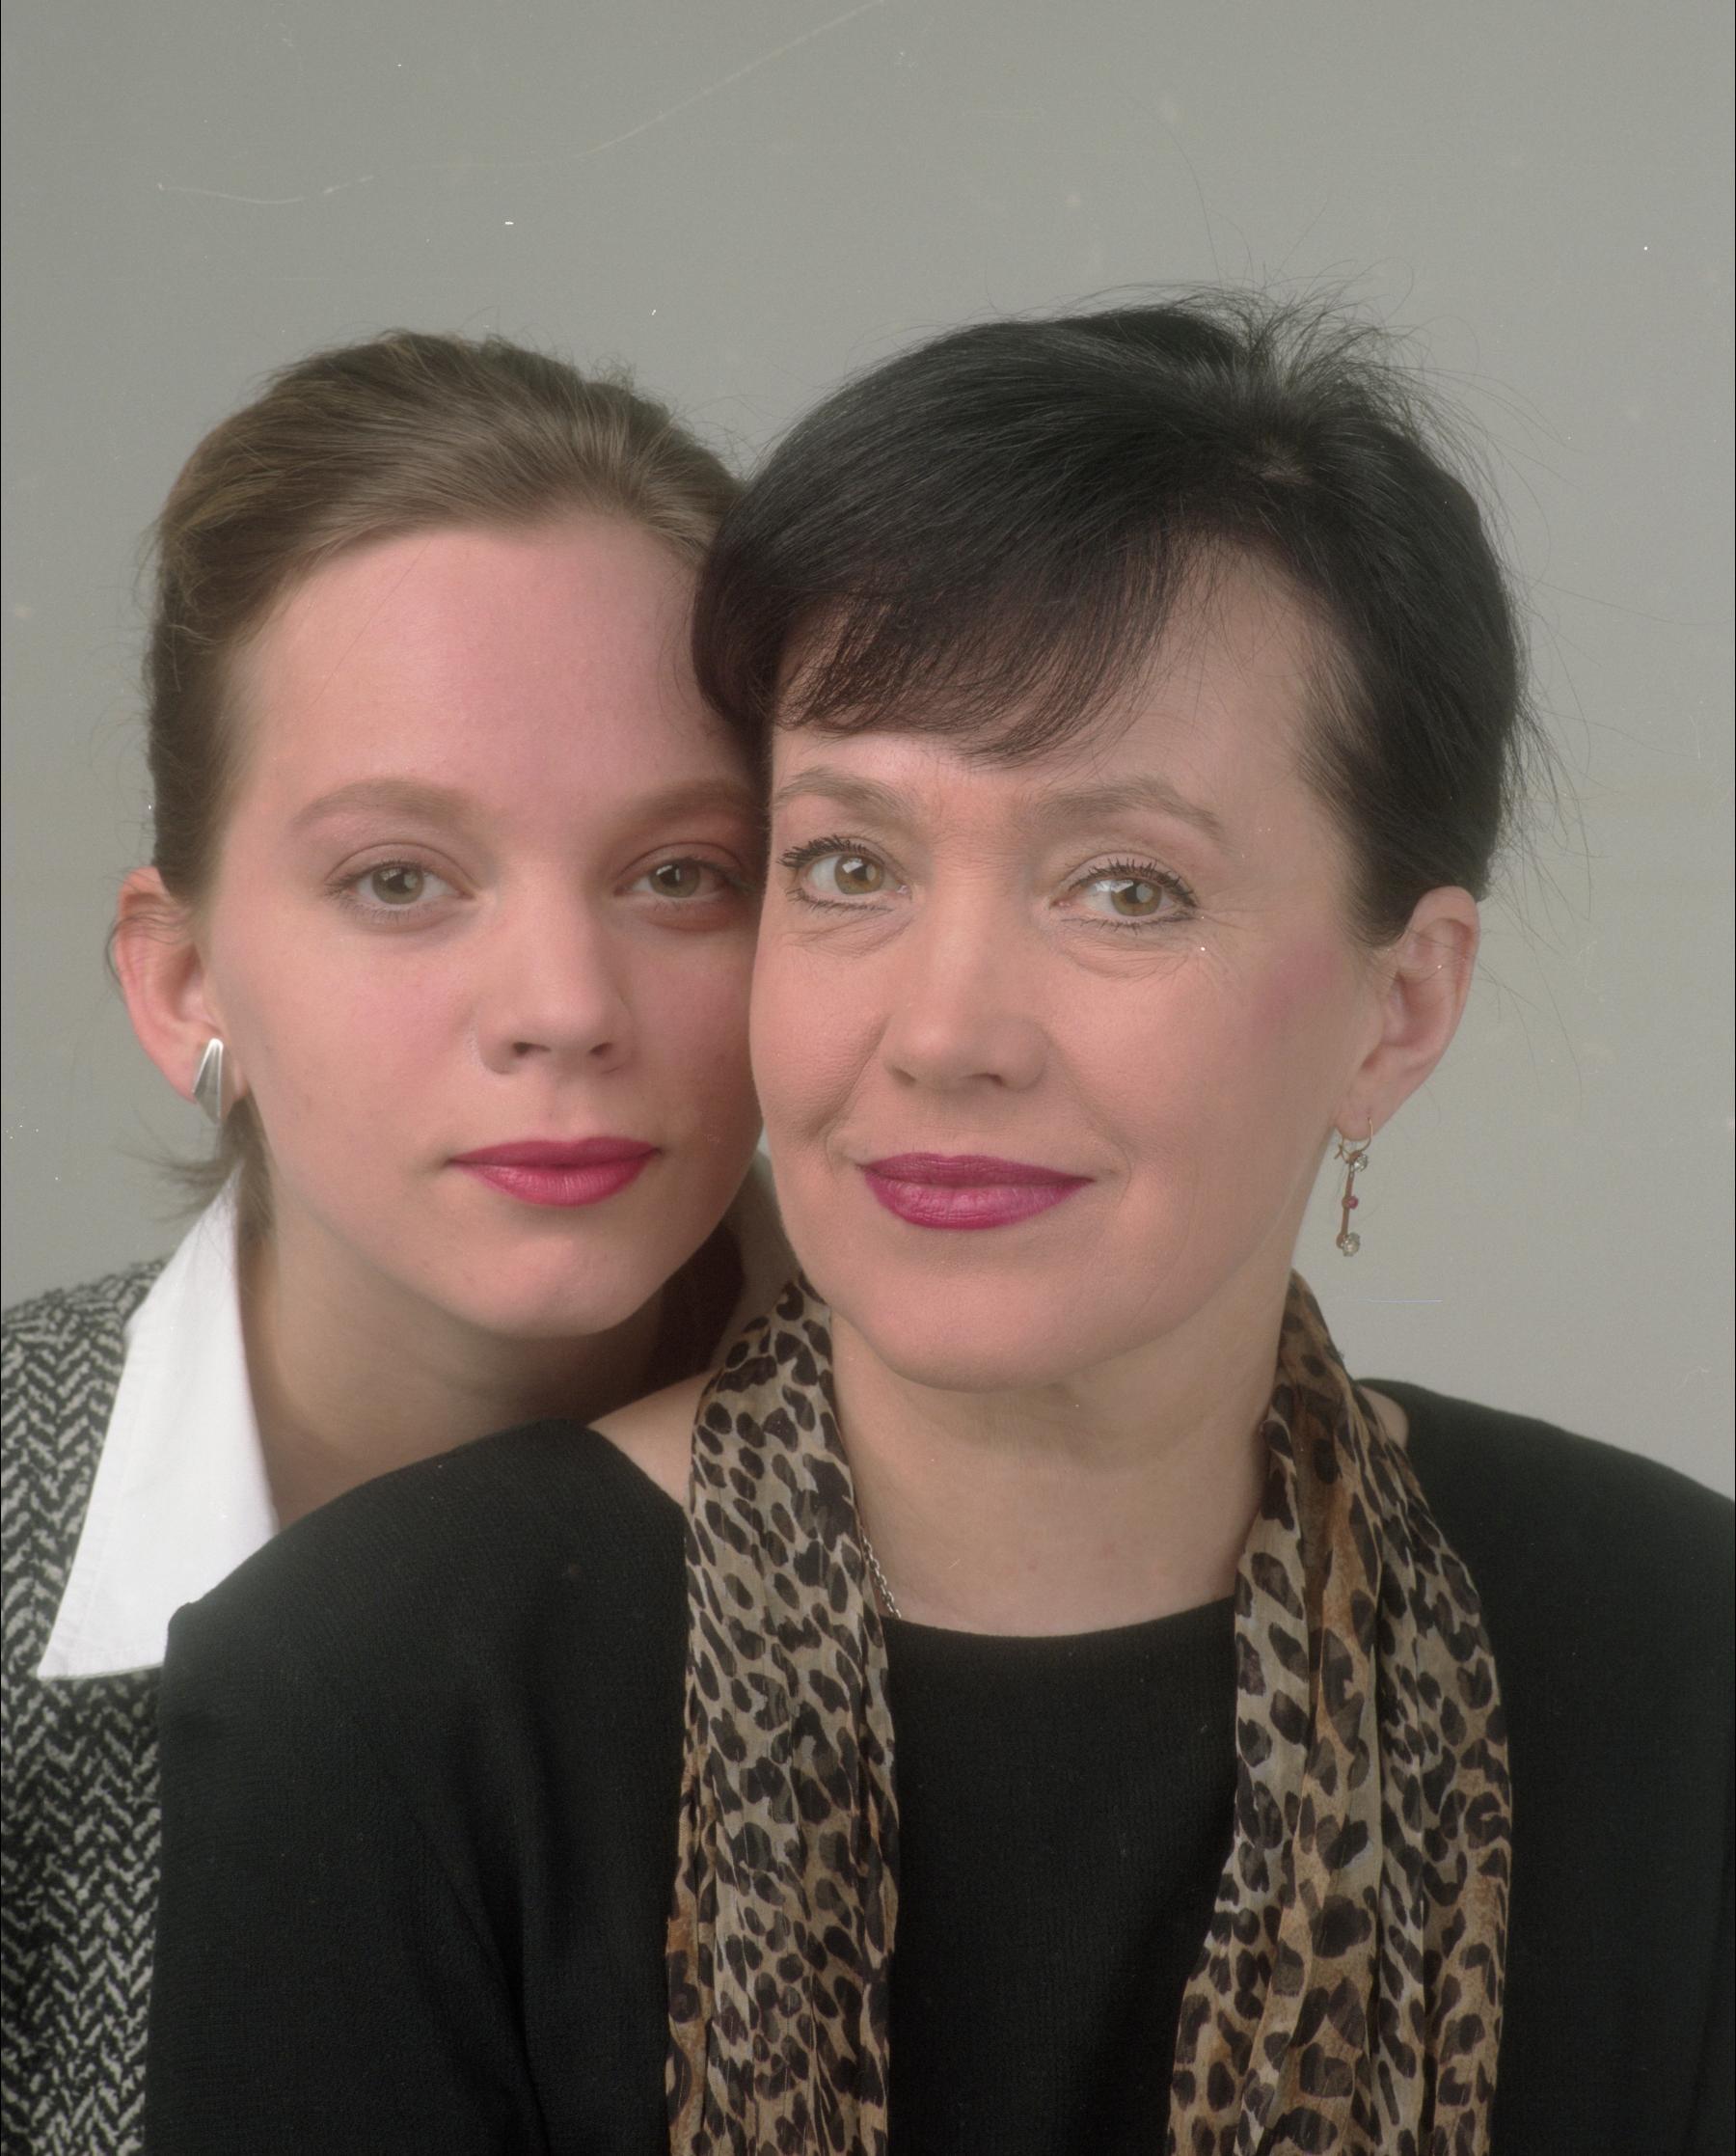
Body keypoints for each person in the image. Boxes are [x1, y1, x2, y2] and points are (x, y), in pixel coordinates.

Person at [143, 297, 1731, 2156]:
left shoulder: (1674, 1654)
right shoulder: (376, 1685)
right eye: (847, 866)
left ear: (1401, 1006)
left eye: (1127, 888)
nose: (945, 1031)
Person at [0, 330, 786, 2156]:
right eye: (400, 881)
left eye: (681, 873)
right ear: (181, 979)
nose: (563, 1005)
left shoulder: (1050, 1530)